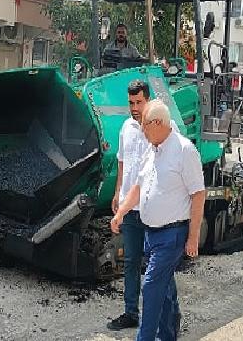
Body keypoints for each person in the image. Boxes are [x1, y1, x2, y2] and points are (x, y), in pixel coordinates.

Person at [111, 99, 206, 341]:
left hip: (171, 235)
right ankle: (169, 335)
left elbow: (198, 194)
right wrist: (121, 212)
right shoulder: (152, 151)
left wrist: (193, 237)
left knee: (152, 288)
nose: (141, 131)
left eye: (144, 125)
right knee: (164, 292)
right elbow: (139, 187)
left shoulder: (184, 150)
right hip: (150, 234)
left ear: (157, 123)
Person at [107, 80, 152, 331]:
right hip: (130, 209)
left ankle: (168, 315)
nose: (135, 108)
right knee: (132, 261)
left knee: (157, 263)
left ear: (148, 100)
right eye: (131, 103)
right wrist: (117, 194)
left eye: (139, 102)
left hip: (152, 208)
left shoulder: (160, 126)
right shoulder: (126, 128)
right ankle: (131, 313)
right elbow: (122, 162)